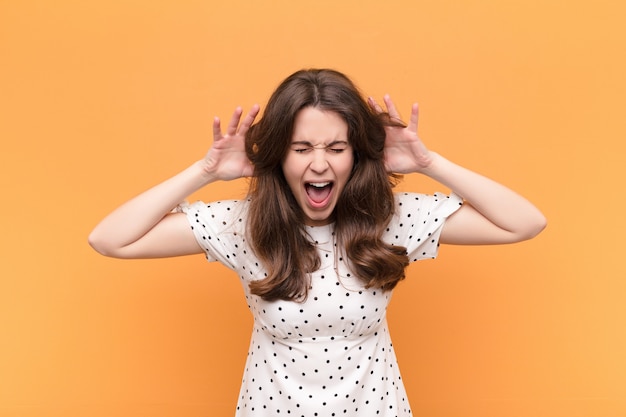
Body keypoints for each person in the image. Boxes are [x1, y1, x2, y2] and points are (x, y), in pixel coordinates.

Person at [89, 68, 546, 416]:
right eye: (302, 148)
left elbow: (524, 223)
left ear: (356, 154)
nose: (320, 165)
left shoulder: (392, 218)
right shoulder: (245, 226)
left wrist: (429, 163)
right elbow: (110, 239)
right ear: (278, 155)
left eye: (336, 148)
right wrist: (204, 172)